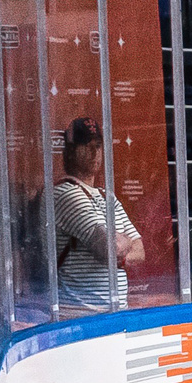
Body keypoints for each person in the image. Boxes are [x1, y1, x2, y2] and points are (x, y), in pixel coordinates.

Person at [52, 116, 145, 308]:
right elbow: (109, 248)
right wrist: (120, 245)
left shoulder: (106, 195)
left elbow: (140, 251)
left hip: (114, 315)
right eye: (86, 145)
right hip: (80, 318)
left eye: (98, 145)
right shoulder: (64, 193)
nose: (94, 152)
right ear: (70, 151)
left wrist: (119, 249)